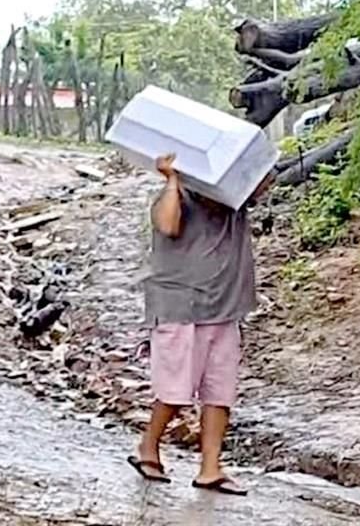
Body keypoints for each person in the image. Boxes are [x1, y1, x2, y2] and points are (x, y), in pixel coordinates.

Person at [127, 153, 272, 495]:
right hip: (180, 308)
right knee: (175, 391)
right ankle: (148, 447)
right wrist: (173, 179)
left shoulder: (234, 201)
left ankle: (210, 467)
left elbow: (264, 182)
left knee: (220, 394)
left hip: (224, 309)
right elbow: (167, 225)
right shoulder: (174, 198)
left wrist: (248, 161)